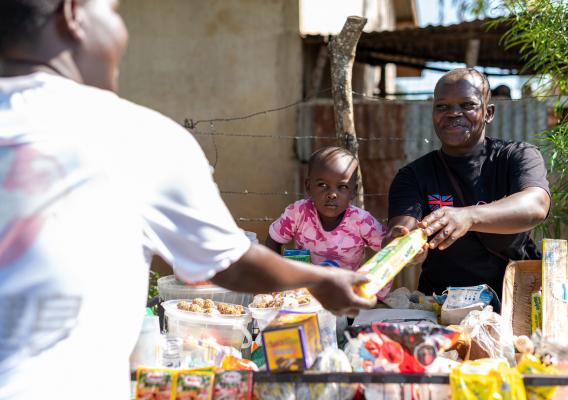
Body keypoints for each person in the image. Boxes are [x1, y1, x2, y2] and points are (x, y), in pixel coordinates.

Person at [0, 1, 374, 399]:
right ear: (73, 13)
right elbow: (231, 265)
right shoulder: (136, 138)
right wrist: (320, 280)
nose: (122, 33)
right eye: (113, 11)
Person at [386, 68, 551, 299]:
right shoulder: (413, 175)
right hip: (441, 305)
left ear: (488, 112)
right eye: (442, 106)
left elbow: (536, 205)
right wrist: (404, 246)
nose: (453, 113)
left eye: (467, 105)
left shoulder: (517, 156)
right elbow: (404, 227)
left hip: (517, 301)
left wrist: (467, 217)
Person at [266, 147, 389, 298]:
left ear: (353, 191)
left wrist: (372, 289)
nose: (332, 194)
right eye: (322, 185)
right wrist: (274, 280)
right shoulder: (298, 213)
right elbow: (274, 239)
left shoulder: (361, 221)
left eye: (342, 187)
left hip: (347, 295)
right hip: (304, 295)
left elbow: (389, 249)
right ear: (308, 187)